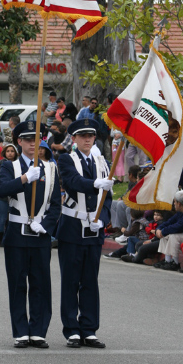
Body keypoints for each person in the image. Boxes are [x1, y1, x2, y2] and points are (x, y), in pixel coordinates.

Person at [0, 121, 61, 349]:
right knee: (17, 284)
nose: (32, 144)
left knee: (40, 283)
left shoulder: (51, 169)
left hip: (40, 234)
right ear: (19, 142)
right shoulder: (9, 166)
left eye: (37, 139)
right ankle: (21, 332)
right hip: (16, 233)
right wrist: (24, 179)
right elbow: (2, 190)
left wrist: (46, 225)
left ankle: (38, 331)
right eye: (27, 139)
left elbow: (56, 204)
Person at [57, 118, 113, 349]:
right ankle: (71, 330)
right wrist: (95, 184)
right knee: (71, 281)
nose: (88, 139)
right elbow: (72, 182)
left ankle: (89, 329)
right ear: (74, 138)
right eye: (83, 136)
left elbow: (108, 199)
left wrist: (105, 219)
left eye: (91, 135)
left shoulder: (102, 161)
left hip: (94, 230)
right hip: (72, 227)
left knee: (90, 281)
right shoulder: (66, 159)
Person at [153, 190, 183, 271]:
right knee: (165, 234)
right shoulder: (181, 210)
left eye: (175, 202)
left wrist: (163, 231)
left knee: (173, 235)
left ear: (179, 203)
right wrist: (159, 229)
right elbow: (170, 221)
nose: (174, 204)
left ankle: (175, 263)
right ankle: (167, 260)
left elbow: (178, 227)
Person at [0, 144, 19, 246]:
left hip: (15, 195)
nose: (10, 153)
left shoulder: (19, 163)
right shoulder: (1, 163)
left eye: (12, 151)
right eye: (8, 151)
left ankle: (10, 237)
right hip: (2, 196)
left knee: (13, 218)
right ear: (5, 152)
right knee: (2, 217)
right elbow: (4, 177)